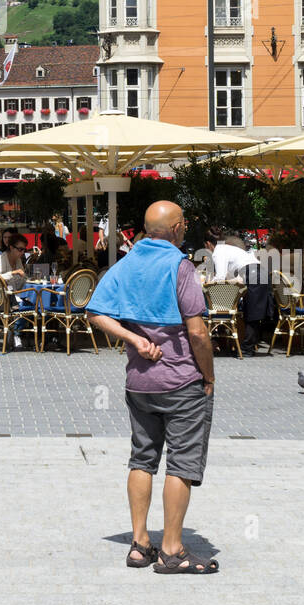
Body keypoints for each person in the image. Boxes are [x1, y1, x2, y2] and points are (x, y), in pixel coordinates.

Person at [87, 201, 219, 575]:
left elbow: (95, 311)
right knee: (182, 463)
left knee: (141, 458)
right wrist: (208, 376)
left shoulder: (125, 263)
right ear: (177, 228)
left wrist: (135, 339)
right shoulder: (181, 266)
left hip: (139, 383)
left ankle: (140, 542)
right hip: (180, 381)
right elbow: (197, 331)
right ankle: (172, 550)